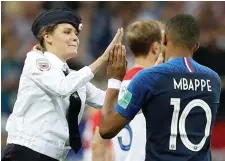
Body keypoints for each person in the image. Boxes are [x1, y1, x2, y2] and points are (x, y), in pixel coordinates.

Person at [1, 8, 124, 161]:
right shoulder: (35, 60)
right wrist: (101, 60)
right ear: (48, 37)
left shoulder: (74, 77)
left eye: (75, 34)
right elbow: (61, 87)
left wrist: (146, 84)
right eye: (67, 32)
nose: (75, 38)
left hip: (55, 156)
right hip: (26, 152)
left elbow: (110, 102)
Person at [99, 14, 222, 161]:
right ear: (196, 46)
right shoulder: (213, 80)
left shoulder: (147, 78)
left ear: (164, 39)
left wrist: (114, 80)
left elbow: (106, 129)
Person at [91, 20, 165, 161]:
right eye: (165, 43)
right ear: (156, 48)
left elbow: (97, 142)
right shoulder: (158, 88)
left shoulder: (114, 89)